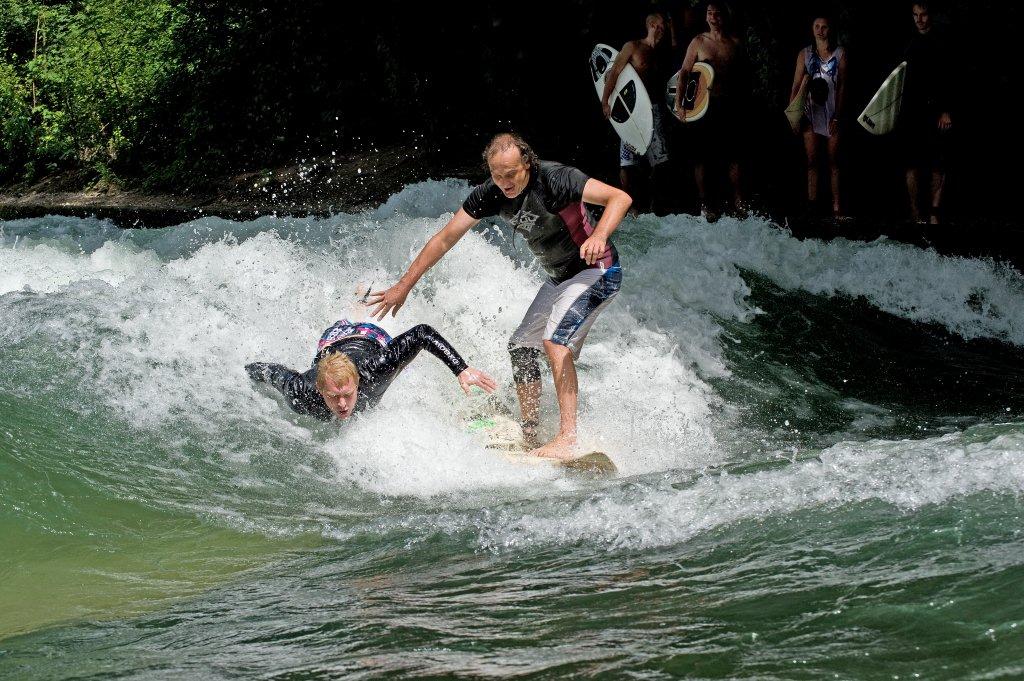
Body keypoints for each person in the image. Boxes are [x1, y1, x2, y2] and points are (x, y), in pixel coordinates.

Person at [367, 133, 632, 460]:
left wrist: (601, 234)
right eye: (497, 175)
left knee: (555, 342)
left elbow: (620, 198)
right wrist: (404, 284)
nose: (504, 182)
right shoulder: (489, 195)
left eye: (511, 174)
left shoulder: (555, 179)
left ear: (527, 165)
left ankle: (568, 437)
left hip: (597, 271)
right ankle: (532, 432)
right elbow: (444, 238)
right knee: (521, 346)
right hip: (559, 279)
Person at [246, 319, 496, 421]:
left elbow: (422, 333)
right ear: (321, 390)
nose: (343, 404)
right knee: (340, 325)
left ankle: (359, 303)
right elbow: (271, 372)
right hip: (332, 342)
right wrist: (243, 372)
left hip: (369, 338)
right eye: (334, 397)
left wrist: (461, 369)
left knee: (363, 322)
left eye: (348, 394)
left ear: (357, 384)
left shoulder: (375, 371)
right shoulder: (302, 392)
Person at [673, 1, 747, 217]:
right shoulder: (698, 42)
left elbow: (743, 77)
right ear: (705, 17)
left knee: (734, 155)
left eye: (717, 13)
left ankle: (738, 201)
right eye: (709, 13)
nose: (713, 17)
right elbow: (685, 73)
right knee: (702, 157)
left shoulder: (735, 42)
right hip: (705, 106)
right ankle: (706, 204)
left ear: (724, 17)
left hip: (730, 106)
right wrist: (680, 105)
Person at [601, 12, 670, 213]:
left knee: (660, 161)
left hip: (654, 110)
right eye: (661, 26)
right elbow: (614, 72)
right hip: (631, 111)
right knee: (627, 161)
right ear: (652, 25)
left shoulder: (662, 52)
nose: (663, 30)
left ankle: (655, 205)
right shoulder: (633, 46)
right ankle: (629, 206)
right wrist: (606, 101)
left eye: (665, 27)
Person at [789, 15, 847, 219]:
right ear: (812, 29)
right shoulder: (804, 54)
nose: (820, 30)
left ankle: (837, 207)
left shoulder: (840, 54)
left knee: (834, 161)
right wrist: (793, 115)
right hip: (810, 113)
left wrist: (837, 117)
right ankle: (812, 206)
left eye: (824, 26)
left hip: (831, 113)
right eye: (817, 26)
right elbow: (796, 85)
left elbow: (841, 88)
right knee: (812, 161)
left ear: (830, 29)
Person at [900, 2, 953, 225]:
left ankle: (934, 213)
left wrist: (946, 111)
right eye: (915, 15)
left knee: (937, 163)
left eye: (923, 14)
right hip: (912, 110)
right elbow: (898, 80)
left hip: (936, 111)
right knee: (911, 163)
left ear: (930, 15)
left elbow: (950, 78)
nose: (919, 19)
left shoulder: (942, 42)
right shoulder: (908, 44)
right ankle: (915, 213)